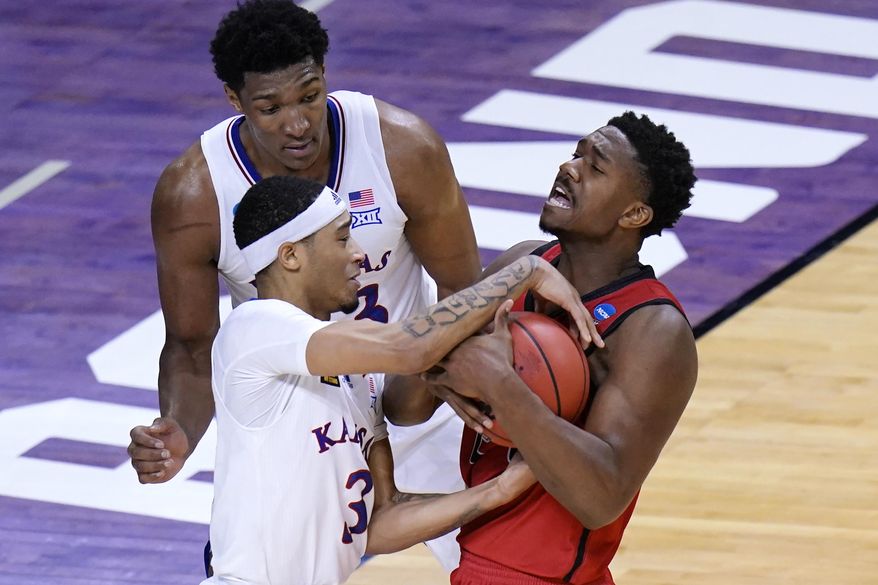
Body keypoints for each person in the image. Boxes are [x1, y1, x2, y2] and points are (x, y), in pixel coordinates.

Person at [127, 0, 481, 559]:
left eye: (310, 96)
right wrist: (178, 428)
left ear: (326, 75)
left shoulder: (403, 147)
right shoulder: (194, 194)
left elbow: (464, 289)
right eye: (269, 108)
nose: (296, 125)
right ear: (234, 101)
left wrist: (430, 385)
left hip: (427, 385)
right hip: (306, 415)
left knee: (507, 561)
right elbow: (193, 349)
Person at [202, 174, 598, 585]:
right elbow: (409, 349)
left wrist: (496, 491)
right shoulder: (252, 327)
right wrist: (523, 274)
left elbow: (380, 519)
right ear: (290, 256)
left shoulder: (359, 375)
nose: (360, 255)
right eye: (342, 239)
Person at [384, 111, 699, 584]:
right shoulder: (523, 264)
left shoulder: (653, 330)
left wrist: (499, 382)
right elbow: (404, 408)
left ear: (634, 214)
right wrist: (438, 357)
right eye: (575, 154)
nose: (569, 168)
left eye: (595, 167)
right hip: (474, 560)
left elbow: (601, 498)